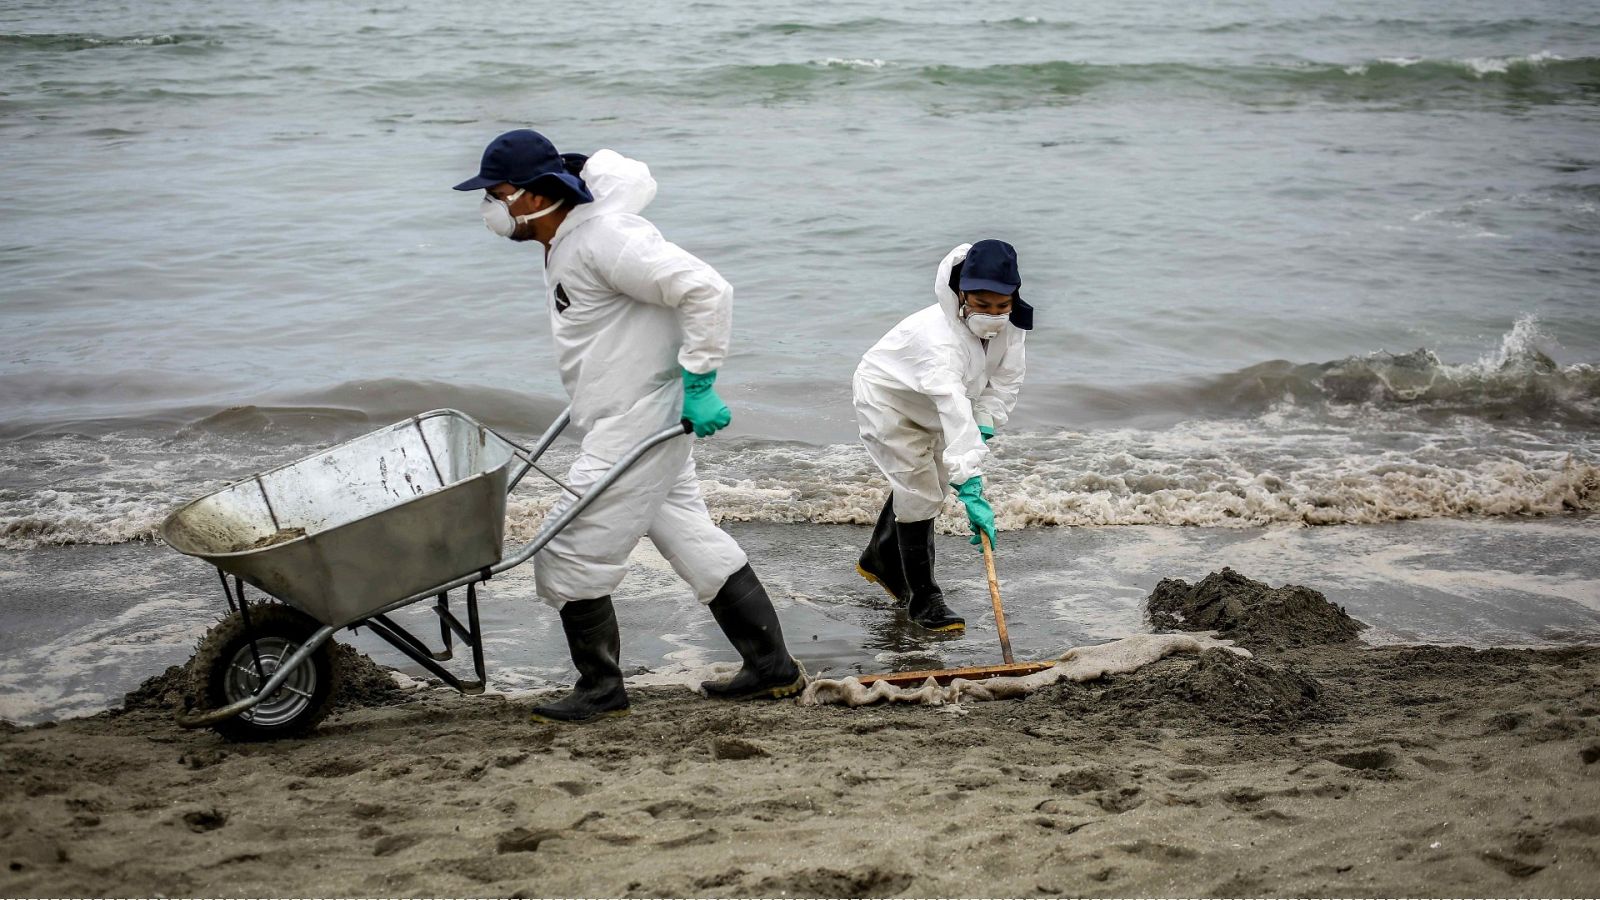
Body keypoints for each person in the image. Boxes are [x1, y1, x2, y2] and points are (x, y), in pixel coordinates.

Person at [454, 129, 804, 722]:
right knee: (693, 538)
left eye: (499, 192)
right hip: (624, 414)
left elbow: (706, 288)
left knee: (567, 548)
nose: (490, 205)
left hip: (641, 420)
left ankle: (601, 688)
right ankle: (773, 669)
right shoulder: (567, 238)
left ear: (539, 194)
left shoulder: (606, 238)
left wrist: (699, 382)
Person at [852, 240, 1031, 632]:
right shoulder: (939, 341)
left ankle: (880, 556)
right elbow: (952, 405)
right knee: (921, 489)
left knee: (931, 481)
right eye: (984, 306)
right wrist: (971, 482)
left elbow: (1005, 381)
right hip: (889, 399)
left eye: (1003, 306)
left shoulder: (1012, 327)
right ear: (962, 294)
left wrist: (984, 421)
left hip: (934, 403)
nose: (995, 316)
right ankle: (924, 598)